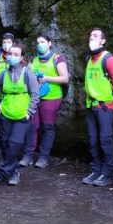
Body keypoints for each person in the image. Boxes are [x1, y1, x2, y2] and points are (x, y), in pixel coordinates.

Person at [0, 41, 40, 186]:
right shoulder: (3, 74)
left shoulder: (28, 73)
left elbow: (35, 95)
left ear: (22, 57)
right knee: (5, 145)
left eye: (16, 54)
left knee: (14, 144)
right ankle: (14, 172)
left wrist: (29, 112)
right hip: (5, 115)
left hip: (22, 117)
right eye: (10, 54)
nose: (12, 56)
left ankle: (0, 175)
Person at [81, 27, 113, 187]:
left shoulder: (108, 58)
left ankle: (108, 173)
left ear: (103, 41)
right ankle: (96, 170)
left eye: (96, 36)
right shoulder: (88, 58)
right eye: (91, 35)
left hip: (105, 105)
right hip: (91, 104)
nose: (92, 38)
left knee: (105, 140)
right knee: (93, 140)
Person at [21, 33, 69, 168]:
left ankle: (43, 157)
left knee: (47, 127)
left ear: (49, 43)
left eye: (42, 42)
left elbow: (65, 78)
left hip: (52, 98)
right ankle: (28, 155)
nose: (39, 45)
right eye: (38, 42)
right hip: (35, 98)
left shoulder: (58, 59)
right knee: (32, 126)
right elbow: (27, 76)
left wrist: (47, 78)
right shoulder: (34, 59)